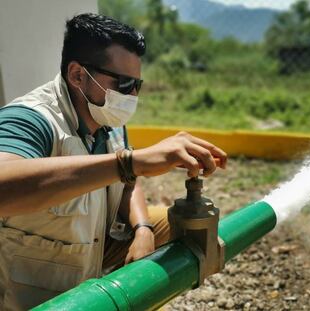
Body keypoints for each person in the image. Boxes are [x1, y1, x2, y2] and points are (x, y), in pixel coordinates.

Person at [0, 13, 227, 310]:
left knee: (174, 225)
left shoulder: (107, 116)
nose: (131, 95)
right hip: (34, 285)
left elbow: (127, 182)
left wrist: (143, 228)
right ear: (78, 75)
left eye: (137, 85)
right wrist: (129, 163)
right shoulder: (31, 119)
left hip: (90, 249)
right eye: (123, 83)